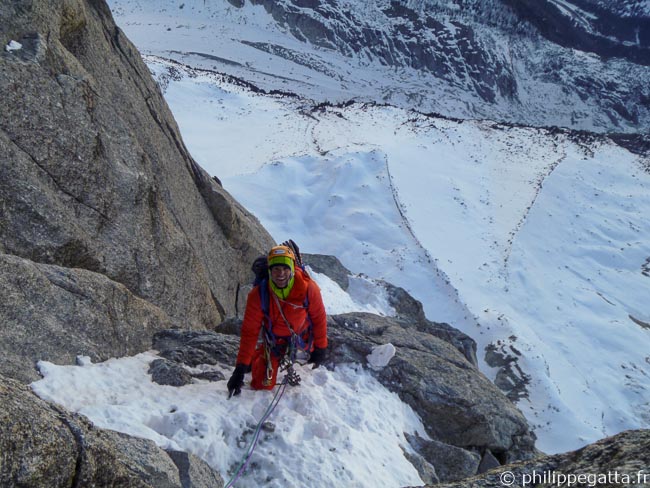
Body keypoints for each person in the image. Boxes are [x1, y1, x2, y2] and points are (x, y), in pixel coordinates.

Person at [227, 244, 328, 397]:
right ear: (269, 271)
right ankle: (255, 358)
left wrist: (321, 348)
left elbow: (319, 318)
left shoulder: (308, 288)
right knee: (262, 384)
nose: (281, 274)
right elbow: (250, 333)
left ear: (292, 269)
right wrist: (240, 368)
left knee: (315, 345)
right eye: (276, 269)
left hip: (302, 335)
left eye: (285, 269)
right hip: (276, 341)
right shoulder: (258, 295)